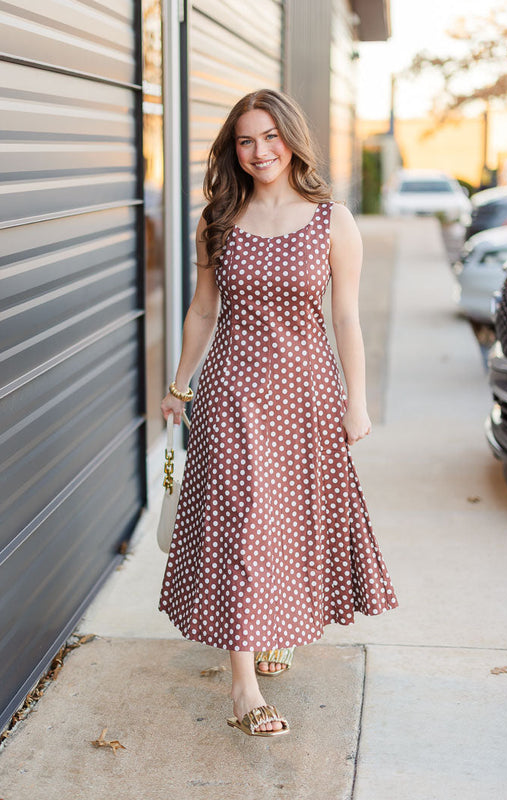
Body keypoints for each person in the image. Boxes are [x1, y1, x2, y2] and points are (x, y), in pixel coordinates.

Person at [159, 89, 398, 737]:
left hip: (306, 395)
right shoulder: (219, 219)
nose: (258, 151)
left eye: (269, 137)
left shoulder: (331, 220)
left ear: (291, 139)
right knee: (240, 524)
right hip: (233, 393)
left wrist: (357, 398)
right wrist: (178, 386)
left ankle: (270, 629)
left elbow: (344, 316)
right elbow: (203, 310)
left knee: (285, 524)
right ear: (232, 150)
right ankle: (243, 689)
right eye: (244, 140)